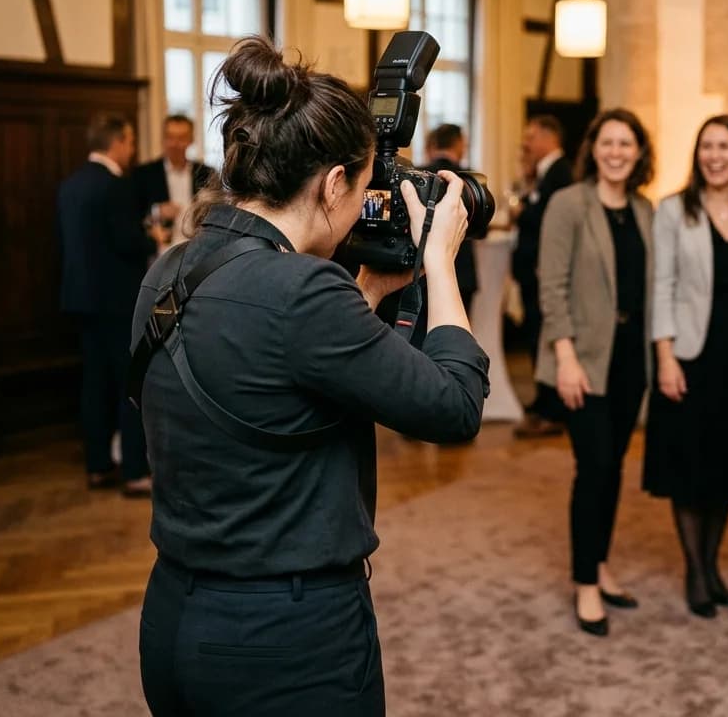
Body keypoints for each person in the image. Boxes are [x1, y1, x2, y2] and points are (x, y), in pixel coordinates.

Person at [135, 37, 488, 716]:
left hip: (175, 618)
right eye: (359, 190)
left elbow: (260, 375)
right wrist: (440, 262)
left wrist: (366, 293)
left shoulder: (171, 269)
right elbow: (455, 405)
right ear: (331, 183)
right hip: (284, 639)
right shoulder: (303, 292)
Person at [644, 114, 728, 618]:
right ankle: (696, 571)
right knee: (689, 469)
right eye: (707, 148)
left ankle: (712, 563)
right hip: (690, 356)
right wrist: (665, 356)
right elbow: (663, 285)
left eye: (725, 147)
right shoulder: (675, 209)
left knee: (726, 470)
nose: (715, 156)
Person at [536, 108, 654, 637]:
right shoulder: (569, 203)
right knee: (595, 468)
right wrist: (564, 357)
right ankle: (586, 583)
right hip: (581, 358)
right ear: (594, 148)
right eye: (608, 142)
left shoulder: (645, 211)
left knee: (615, 469)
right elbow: (550, 284)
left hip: (631, 358)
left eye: (626, 144)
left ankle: (601, 564)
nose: (616, 152)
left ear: (639, 152)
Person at [57, 113, 163, 497]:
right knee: (130, 383)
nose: (133, 150)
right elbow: (125, 243)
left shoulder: (70, 185)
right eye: (131, 142)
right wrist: (152, 238)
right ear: (116, 142)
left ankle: (98, 465)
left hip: (81, 299)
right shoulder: (115, 186)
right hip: (116, 301)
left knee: (94, 384)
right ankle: (135, 472)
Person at [512, 115, 574, 438]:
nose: (526, 143)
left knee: (543, 336)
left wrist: (523, 211)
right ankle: (543, 401)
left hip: (542, 270)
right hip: (530, 270)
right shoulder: (543, 172)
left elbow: (547, 218)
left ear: (550, 137)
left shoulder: (561, 172)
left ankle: (551, 407)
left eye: (531, 136)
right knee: (535, 336)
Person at [131, 115, 215, 247]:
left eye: (182, 138)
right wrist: (157, 211)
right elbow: (132, 215)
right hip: (161, 252)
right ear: (163, 139)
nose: (175, 144)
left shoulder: (207, 173)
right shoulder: (144, 174)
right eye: (170, 137)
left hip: (198, 249)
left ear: (191, 139)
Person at [424, 123, 478, 313]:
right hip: (460, 270)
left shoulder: (418, 174)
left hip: (421, 270)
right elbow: (480, 229)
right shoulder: (470, 179)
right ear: (458, 144)